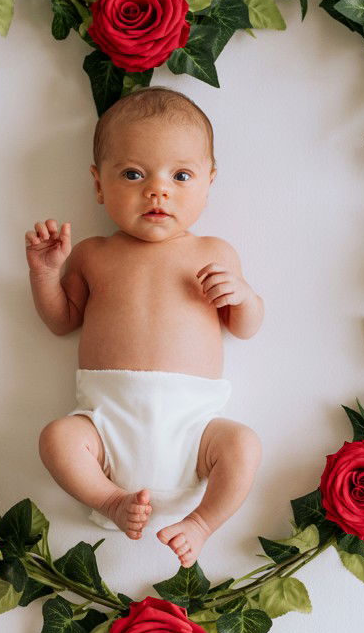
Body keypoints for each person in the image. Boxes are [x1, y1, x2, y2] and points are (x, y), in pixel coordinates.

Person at [26, 86, 264, 569]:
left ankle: (200, 523)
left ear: (209, 181)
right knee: (57, 438)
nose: (158, 190)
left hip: (194, 429)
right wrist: (45, 274)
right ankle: (110, 500)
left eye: (181, 175)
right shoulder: (93, 254)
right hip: (106, 423)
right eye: (133, 174)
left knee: (243, 445)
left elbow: (245, 328)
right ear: (98, 184)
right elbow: (61, 321)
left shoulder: (215, 253)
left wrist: (242, 295)